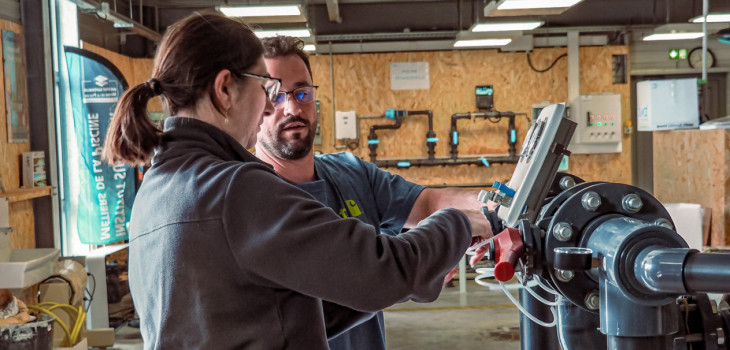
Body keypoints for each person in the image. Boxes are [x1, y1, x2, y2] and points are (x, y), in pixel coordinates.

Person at [102, 12, 489, 349]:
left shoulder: (157, 187)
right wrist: (458, 224)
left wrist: (408, 276)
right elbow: (385, 270)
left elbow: (268, 314)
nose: (273, 105)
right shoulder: (234, 188)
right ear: (224, 90)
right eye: (265, 89)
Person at [257, 36, 496, 350]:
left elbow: (428, 202)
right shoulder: (248, 197)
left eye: (302, 92)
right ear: (253, 103)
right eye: (276, 95)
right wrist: (443, 241)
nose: (292, 107)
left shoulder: (349, 171)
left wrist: (497, 208)